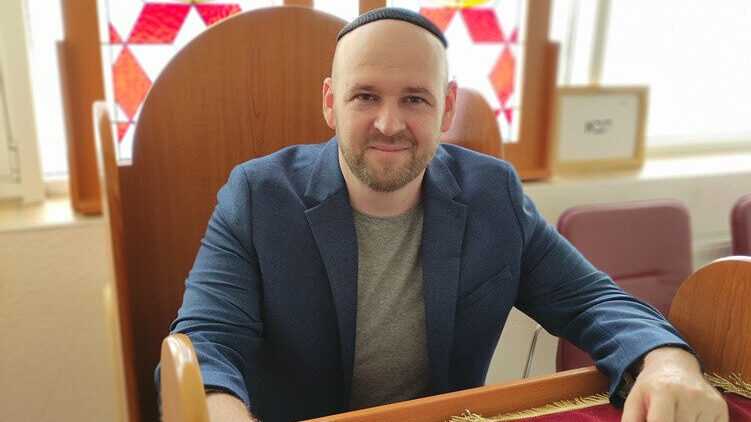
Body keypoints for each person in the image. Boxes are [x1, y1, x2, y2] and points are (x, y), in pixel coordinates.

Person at [157, 8, 727, 422]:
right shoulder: (258, 195)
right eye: (365, 96)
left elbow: (590, 300)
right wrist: (220, 412)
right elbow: (206, 341)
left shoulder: (492, 193)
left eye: (414, 98)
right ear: (331, 102)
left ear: (447, 106)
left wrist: (665, 360)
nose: (389, 123)